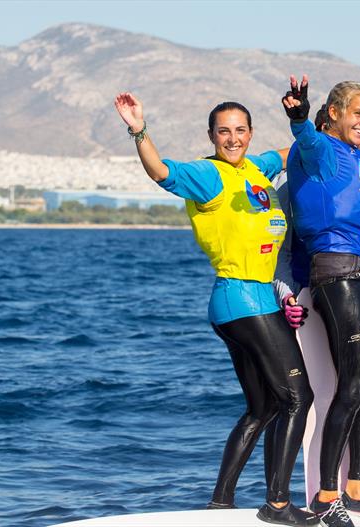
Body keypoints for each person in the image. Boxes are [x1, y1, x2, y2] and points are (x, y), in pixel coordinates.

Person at [113, 92, 318, 527]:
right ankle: (278, 504)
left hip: (247, 303)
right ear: (211, 136)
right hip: (243, 300)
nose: (232, 138)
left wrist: (315, 124)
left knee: (263, 408)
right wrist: (138, 130)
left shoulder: (257, 168)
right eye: (223, 131)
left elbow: (290, 151)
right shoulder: (208, 175)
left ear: (250, 133)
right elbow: (160, 171)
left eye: (240, 130)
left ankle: (221, 502)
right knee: (299, 397)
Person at [281, 76, 360, 527]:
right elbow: (307, 140)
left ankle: (358, 489)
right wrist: (298, 117)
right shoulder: (320, 150)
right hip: (336, 273)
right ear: (334, 112)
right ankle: (324, 496)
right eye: (358, 113)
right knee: (350, 386)